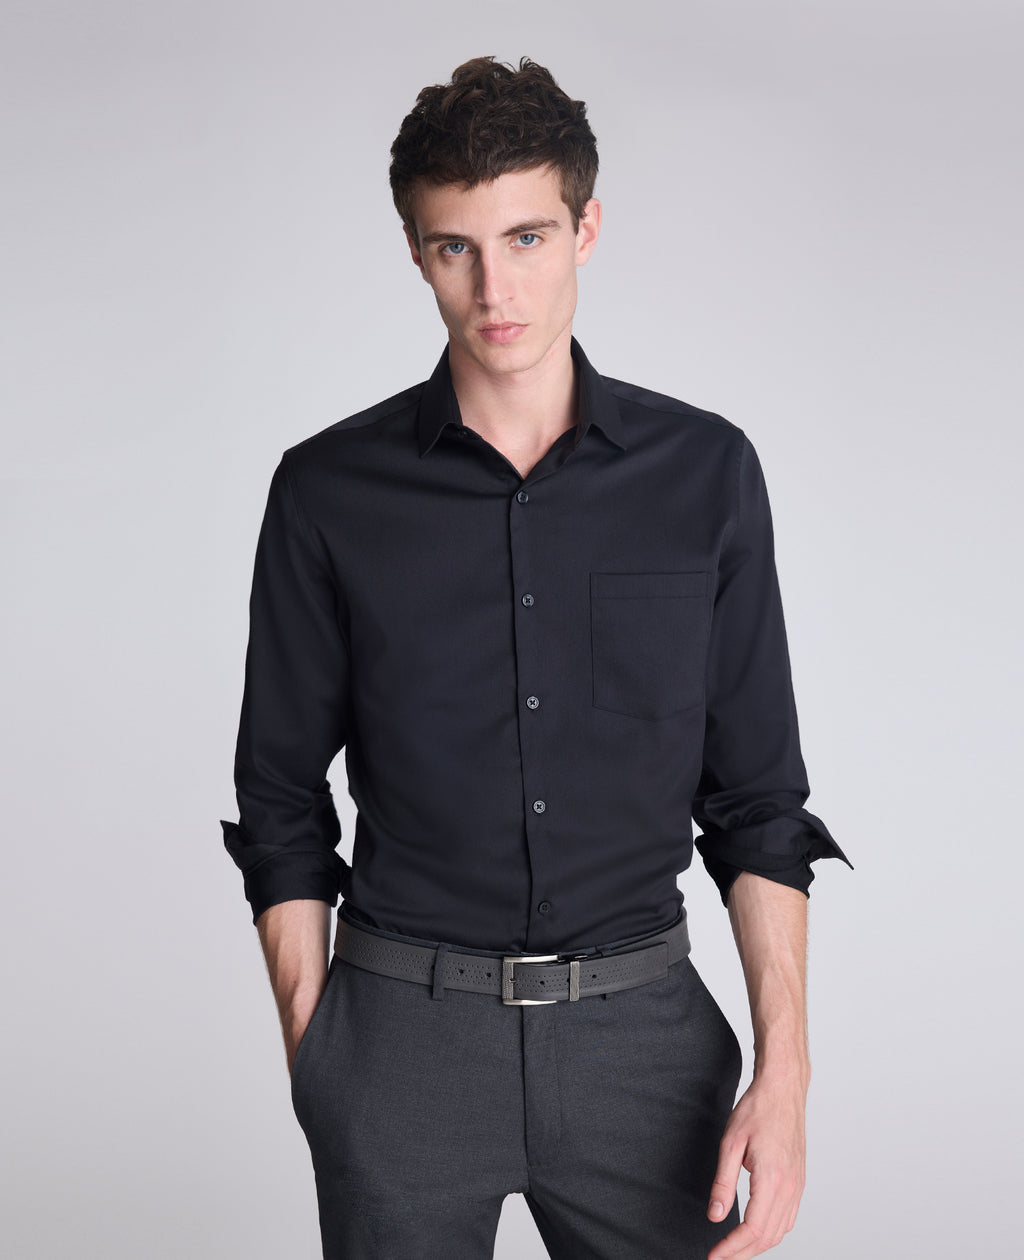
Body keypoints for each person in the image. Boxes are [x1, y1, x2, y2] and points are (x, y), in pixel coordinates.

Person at [220, 55, 851, 1260]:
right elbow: (279, 796)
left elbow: (758, 804)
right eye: (454, 247)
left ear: (584, 228)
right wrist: (320, 1057)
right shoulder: (326, 491)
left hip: (643, 1043)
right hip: (399, 1043)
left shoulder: (705, 474)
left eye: (525, 237)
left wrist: (787, 1075)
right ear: (417, 253)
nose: (494, 288)